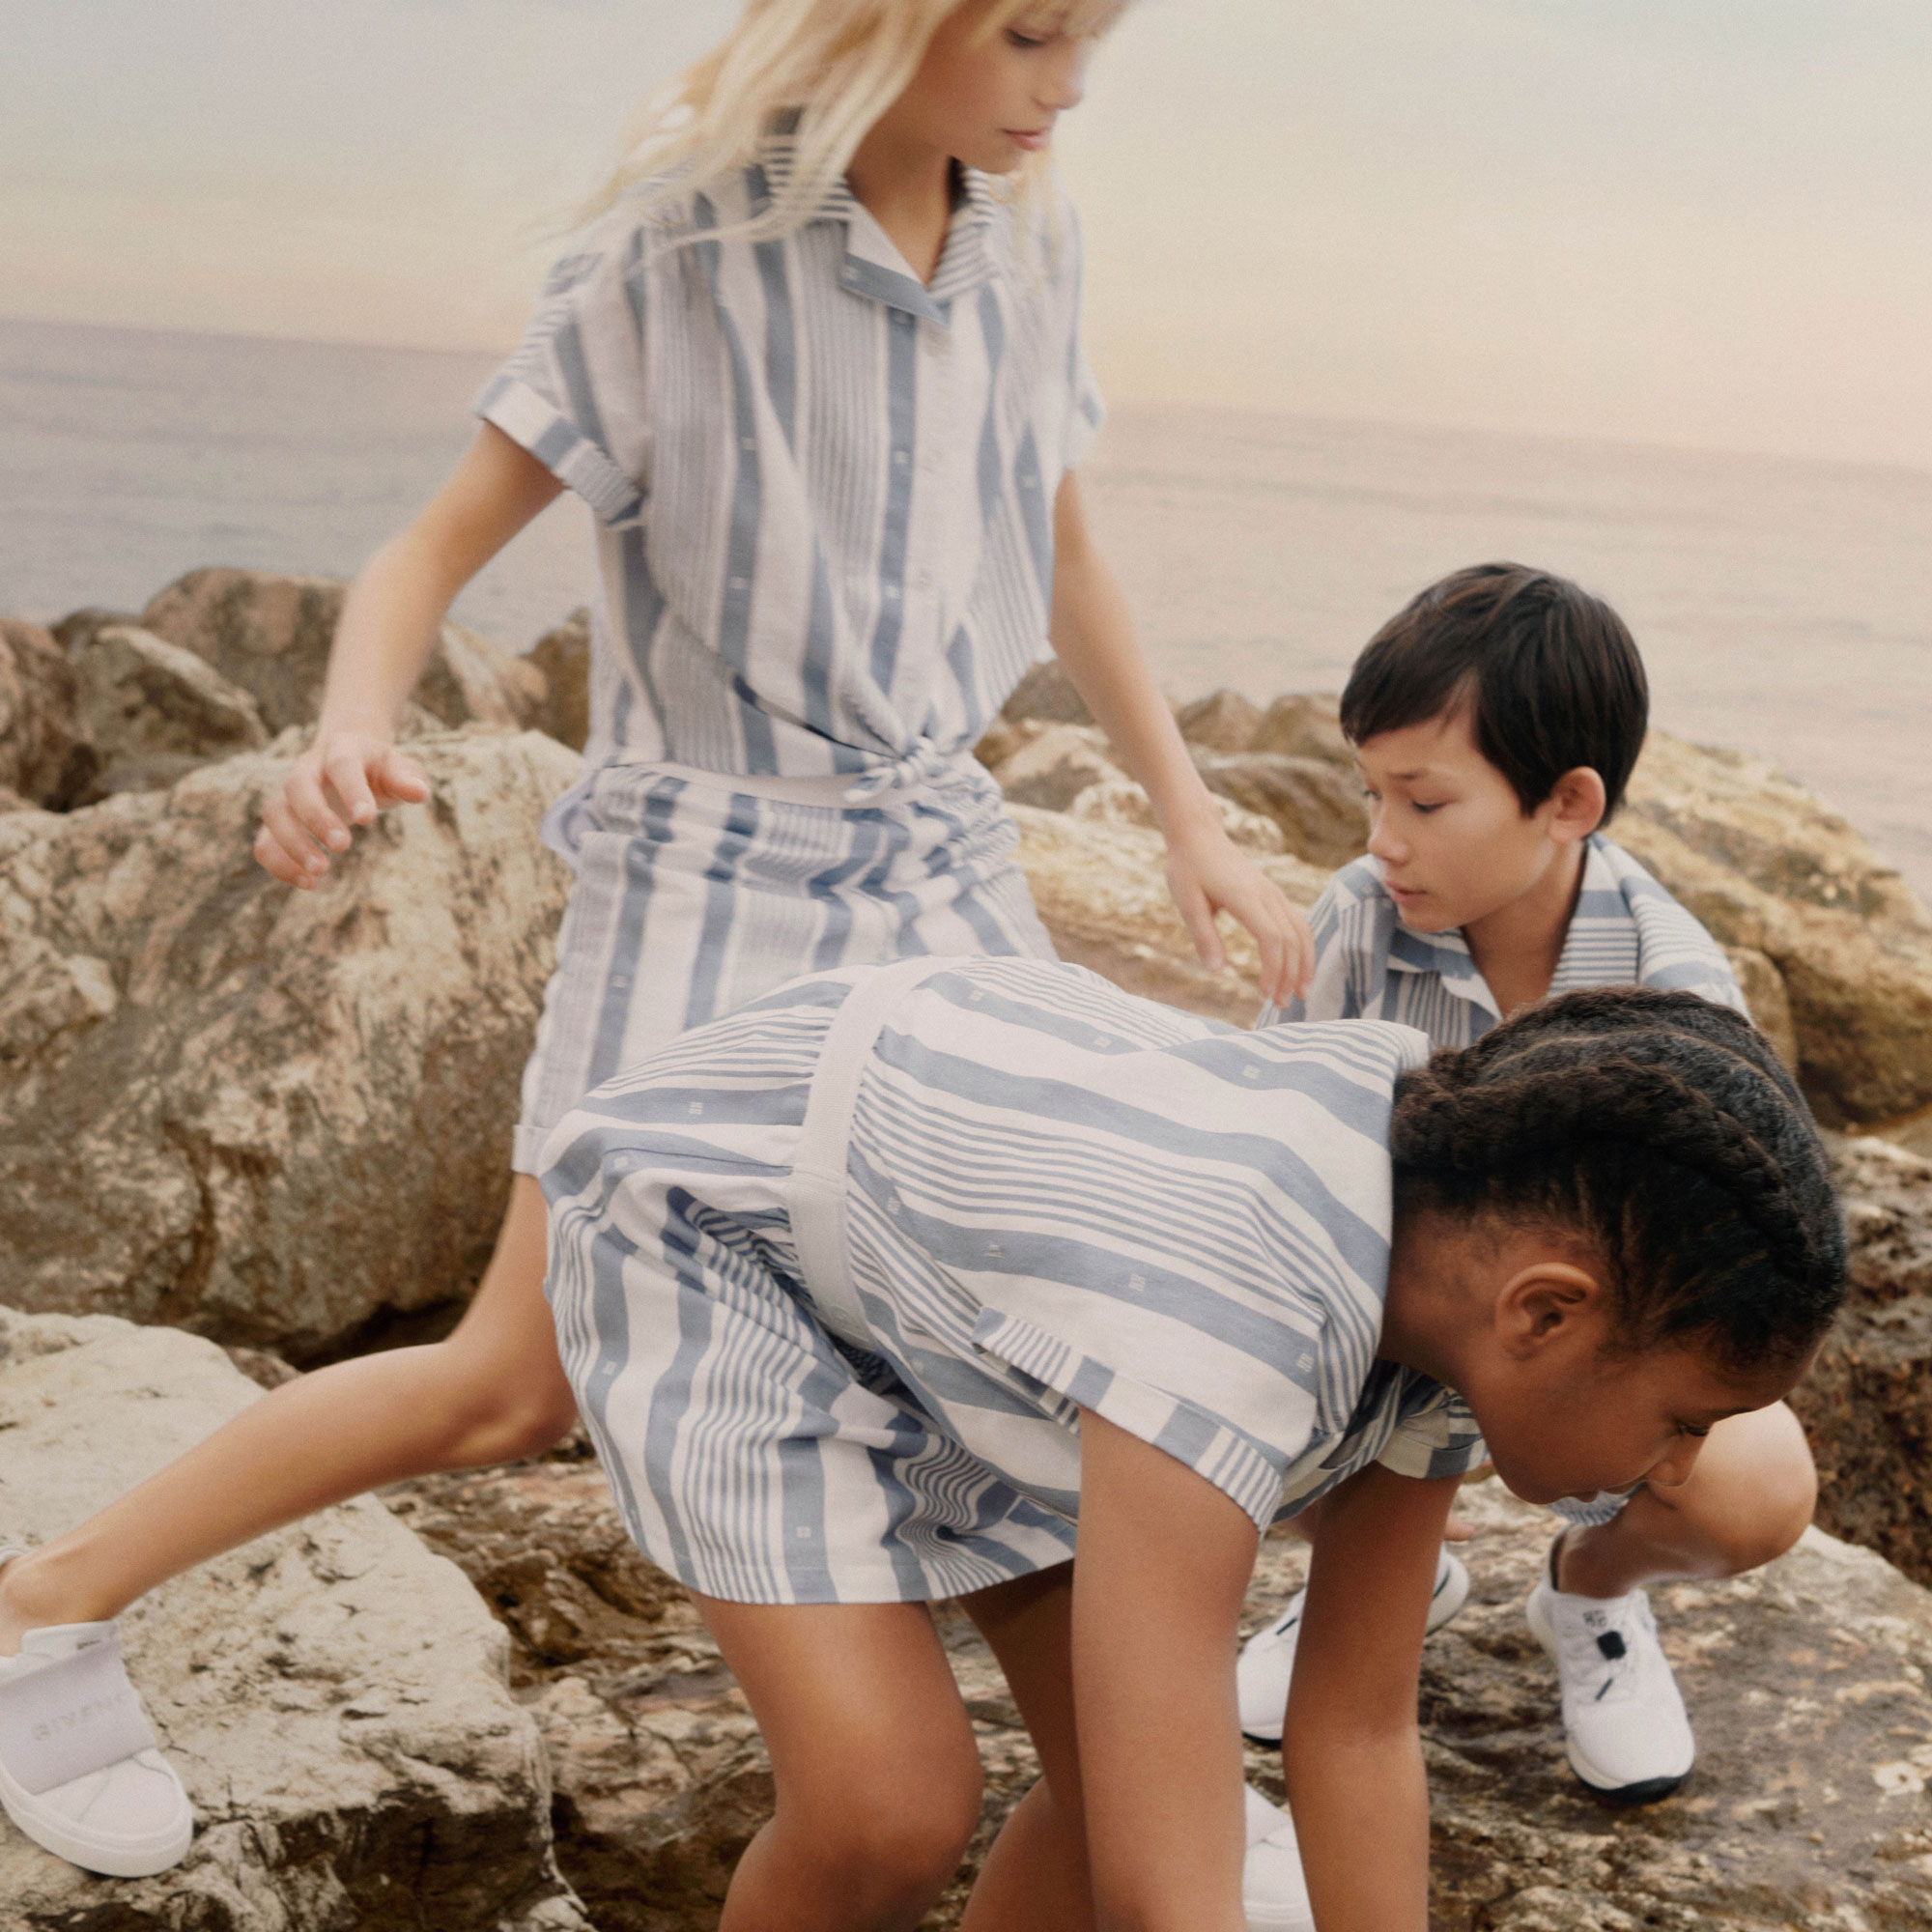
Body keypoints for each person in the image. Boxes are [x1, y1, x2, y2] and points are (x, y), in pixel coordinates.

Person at [0, 0, 1316, 1882]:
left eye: (1094, 38)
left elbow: (1063, 547)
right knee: (511, 1381)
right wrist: (349, 726)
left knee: (1026, 1326)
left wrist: (1191, 819)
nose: (1069, 86)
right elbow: (425, 558)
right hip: (702, 902)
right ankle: (43, 1597)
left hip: (933, 882)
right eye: (1029, 35)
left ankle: (1153, 1679)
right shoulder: (673, 263)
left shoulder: (1034, 237)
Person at [535, 952, 1845, 1932]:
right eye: (1684, 1422)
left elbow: (1354, 1729)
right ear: (1548, 1313)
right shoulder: (1232, 1324)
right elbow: (1178, 1902)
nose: (1677, 1470)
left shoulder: (1454, 1291)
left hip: (970, 1311)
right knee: (888, 1806)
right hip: (739, 1227)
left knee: (1114, 1801)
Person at [1235, 562, 1822, 1819]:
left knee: (1760, 1485)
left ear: (1567, 801)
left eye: (1426, 800)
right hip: (1402, 1337)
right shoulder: (1357, 916)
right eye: (1369, 792)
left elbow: (1705, 1282)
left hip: (1583, 1363)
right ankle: (1365, 1587)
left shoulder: (1674, 996)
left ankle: (1594, 1593)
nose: (1383, 838)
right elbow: (1263, 1150)